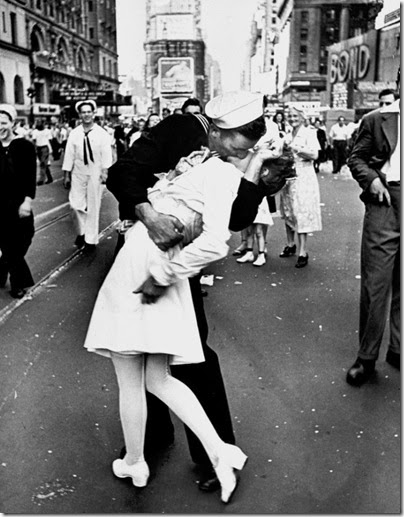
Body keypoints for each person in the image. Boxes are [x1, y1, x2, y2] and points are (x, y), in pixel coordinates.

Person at [86, 92, 271, 502]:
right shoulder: (181, 128)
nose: (246, 147)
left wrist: (256, 179)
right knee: (152, 363)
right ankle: (154, 444)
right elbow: (123, 173)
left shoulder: (229, 162)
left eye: (253, 142)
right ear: (219, 129)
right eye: (243, 139)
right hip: (148, 248)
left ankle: (204, 453)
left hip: (173, 263)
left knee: (182, 357)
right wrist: (149, 215)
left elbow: (234, 219)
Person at [345, 89, 400, 386]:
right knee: (375, 284)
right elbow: (356, 158)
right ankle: (366, 358)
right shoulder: (377, 119)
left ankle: (398, 349)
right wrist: (372, 179)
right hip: (386, 200)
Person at [62, 100, 112, 251]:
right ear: (80, 115)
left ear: (93, 113)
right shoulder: (75, 133)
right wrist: (66, 174)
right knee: (75, 205)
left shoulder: (102, 134)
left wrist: (105, 172)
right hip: (78, 172)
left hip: (95, 172)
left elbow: (106, 154)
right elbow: (69, 154)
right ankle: (82, 232)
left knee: (93, 205)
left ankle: (90, 240)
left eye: (89, 112)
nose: (86, 115)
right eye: (83, 112)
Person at [0, 104, 36, 299]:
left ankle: (2, 267)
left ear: (12, 123)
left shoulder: (24, 146)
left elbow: (30, 176)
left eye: (3, 123)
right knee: (7, 243)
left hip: (19, 202)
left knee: (24, 238)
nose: (0, 127)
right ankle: (18, 283)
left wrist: (27, 201)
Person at [278, 106, 322, 268]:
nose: (292, 118)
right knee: (288, 211)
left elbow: (315, 155)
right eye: (289, 115)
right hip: (288, 176)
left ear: (302, 117)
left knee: (301, 212)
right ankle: (291, 244)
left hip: (304, 176)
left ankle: (303, 251)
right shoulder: (288, 134)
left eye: (295, 115)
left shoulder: (309, 133)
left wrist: (295, 148)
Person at [31, 121, 53, 185]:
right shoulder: (35, 131)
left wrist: (50, 149)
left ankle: (41, 180)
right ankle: (50, 178)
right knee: (43, 164)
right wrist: (35, 149)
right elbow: (34, 140)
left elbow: (50, 140)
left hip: (45, 147)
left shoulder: (47, 131)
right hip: (38, 148)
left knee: (43, 163)